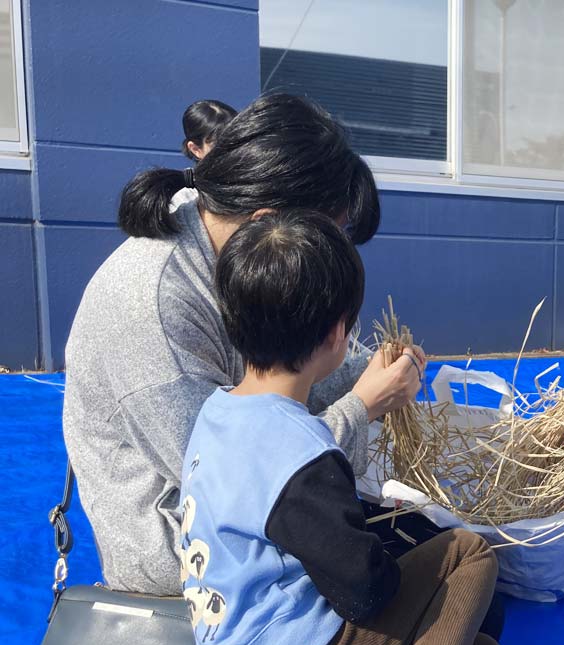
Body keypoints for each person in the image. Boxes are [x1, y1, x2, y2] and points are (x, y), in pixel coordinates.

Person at [187, 210, 501, 645]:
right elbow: (365, 590)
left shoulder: (216, 413)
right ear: (337, 334)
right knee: (466, 554)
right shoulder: (301, 452)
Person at [63, 94, 410, 597]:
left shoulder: (223, 240)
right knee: (437, 578)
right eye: (327, 239)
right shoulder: (154, 313)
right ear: (266, 223)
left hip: (252, 514)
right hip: (202, 570)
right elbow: (244, 483)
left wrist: (363, 371)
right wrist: (363, 405)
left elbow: (272, 389)